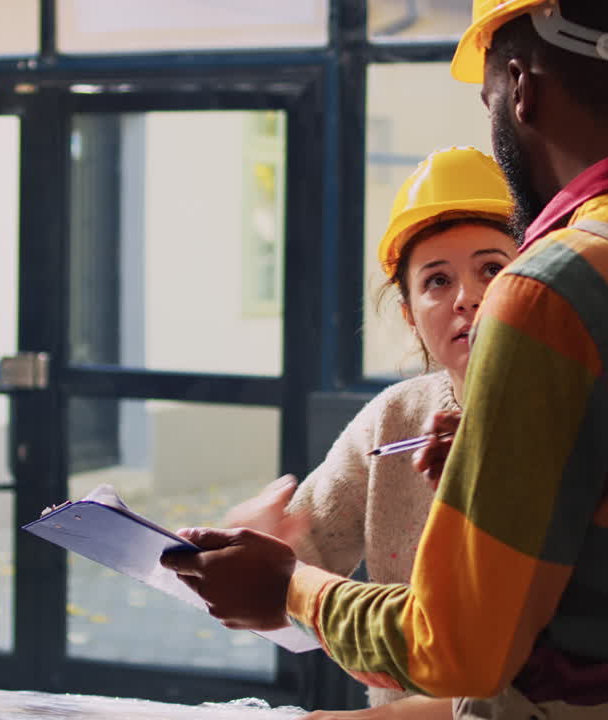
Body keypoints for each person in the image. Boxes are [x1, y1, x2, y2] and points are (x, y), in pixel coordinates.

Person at [162, 1, 608, 718]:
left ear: (520, 88)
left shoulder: (551, 292)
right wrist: (541, 481)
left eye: (488, 98)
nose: (468, 296)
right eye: (436, 280)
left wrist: (289, 588)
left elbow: (457, 652)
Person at [224, 146, 516, 709]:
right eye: (436, 280)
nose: (467, 298)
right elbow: (303, 551)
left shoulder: (566, 416)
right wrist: (261, 546)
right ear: (409, 313)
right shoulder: (393, 417)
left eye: (492, 269)